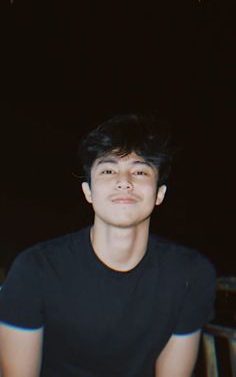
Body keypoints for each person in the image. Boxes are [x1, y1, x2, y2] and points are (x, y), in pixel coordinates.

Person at [0, 112, 216, 377]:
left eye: (140, 171)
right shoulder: (35, 270)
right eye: (108, 170)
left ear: (159, 193)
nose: (124, 181)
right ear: (88, 192)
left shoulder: (190, 274)